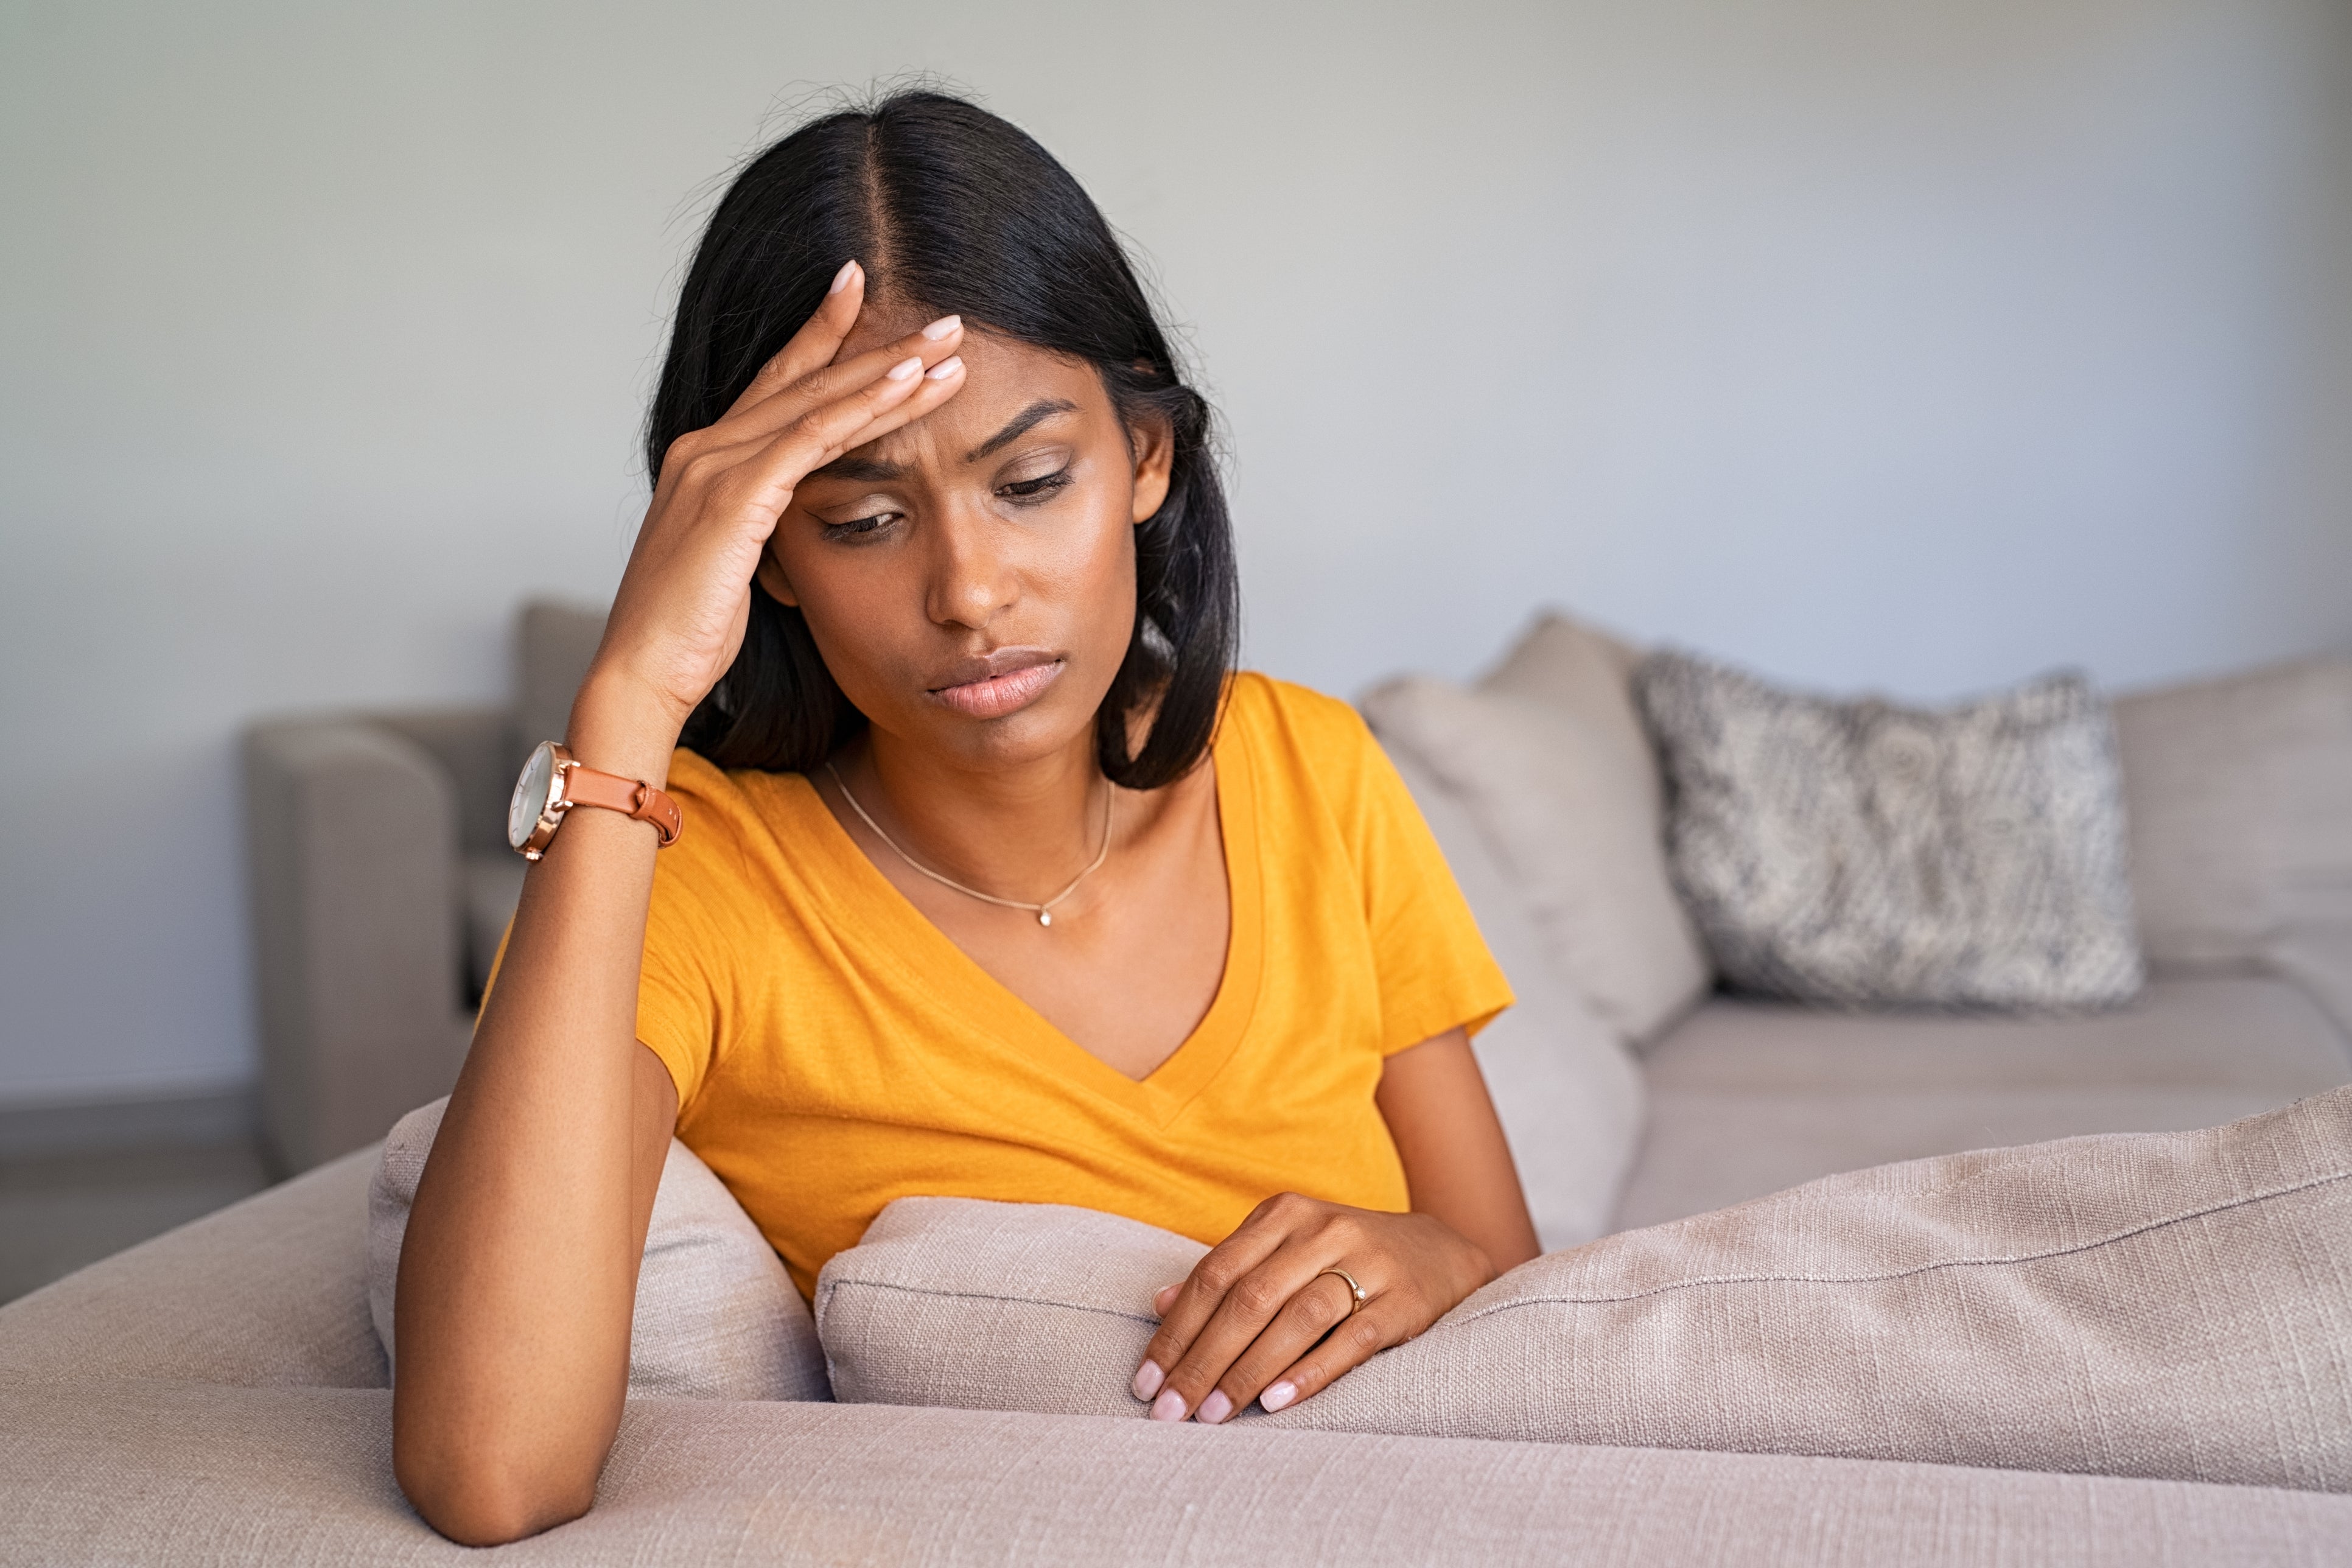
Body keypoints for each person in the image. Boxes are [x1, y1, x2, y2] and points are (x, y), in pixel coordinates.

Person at [391, 91, 1539, 1546]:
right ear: (766, 555)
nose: (969, 592)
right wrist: (628, 700)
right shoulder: (697, 875)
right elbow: (490, 1468)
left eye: (1031, 482)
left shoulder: (1310, 766)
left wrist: (1429, 1259)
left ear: (1147, 460)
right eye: (862, 519)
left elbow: (1517, 1276)